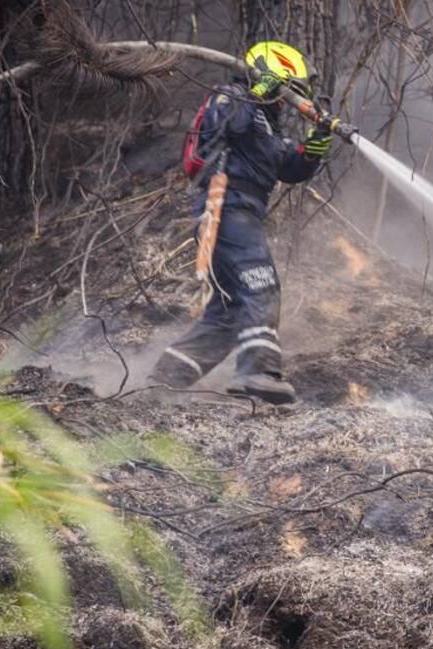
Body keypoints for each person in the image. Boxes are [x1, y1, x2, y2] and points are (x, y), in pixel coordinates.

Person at [150, 41, 332, 404]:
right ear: (273, 76)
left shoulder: (266, 126)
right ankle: (258, 372)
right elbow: (227, 124)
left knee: (231, 311)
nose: (287, 102)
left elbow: (289, 165)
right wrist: (257, 93)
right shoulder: (230, 95)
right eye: (288, 92)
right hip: (226, 207)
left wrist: (318, 141)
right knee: (261, 285)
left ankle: (165, 379)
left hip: (241, 213)